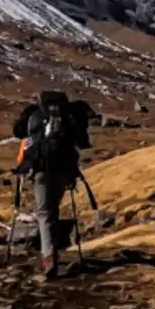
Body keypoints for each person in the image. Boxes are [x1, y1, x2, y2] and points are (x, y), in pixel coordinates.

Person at [11, 90, 95, 280]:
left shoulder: (36, 115)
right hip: (64, 170)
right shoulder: (68, 116)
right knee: (52, 210)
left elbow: (18, 132)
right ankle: (52, 250)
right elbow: (82, 142)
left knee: (44, 212)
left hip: (41, 169)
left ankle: (49, 258)